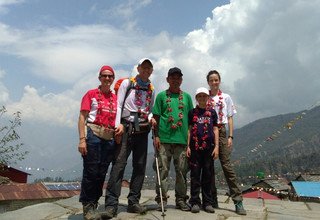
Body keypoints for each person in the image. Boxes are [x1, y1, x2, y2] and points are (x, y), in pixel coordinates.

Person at [104, 58, 155, 218]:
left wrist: (152, 117)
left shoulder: (152, 89)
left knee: (139, 166)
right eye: (143, 67)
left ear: (151, 71)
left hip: (142, 129)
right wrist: (118, 124)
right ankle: (111, 205)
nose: (146, 70)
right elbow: (119, 105)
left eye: (149, 68)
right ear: (138, 68)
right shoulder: (128, 83)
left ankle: (133, 201)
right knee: (119, 164)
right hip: (125, 127)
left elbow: (150, 109)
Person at [78, 65, 119, 220]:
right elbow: (82, 117)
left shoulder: (116, 98)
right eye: (104, 76)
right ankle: (87, 207)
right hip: (93, 134)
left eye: (110, 76)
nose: (107, 79)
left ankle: (94, 204)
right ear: (99, 78)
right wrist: (82, 139)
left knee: (101, 172)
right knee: (91, 171)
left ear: (113, 79)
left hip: (109, 138)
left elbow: (119, 117)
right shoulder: (91, 94)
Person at [153, 67, 194, 211]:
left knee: (182, 171)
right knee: (162, 170)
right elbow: (156, 118)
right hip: (163, 140)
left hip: (182, 141)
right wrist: (156, 136)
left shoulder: (187, 97)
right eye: (172, 77)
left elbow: (190, 123)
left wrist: (189, 143)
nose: (175, 80)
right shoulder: (161, 96)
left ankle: (181, 200)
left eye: (178, 78)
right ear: (167, 79)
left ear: (181, 80)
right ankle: (162, 200)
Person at [207, 70, 247, 215]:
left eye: (216, 80)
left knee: (227, 166)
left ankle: (238, 201)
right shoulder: (205, 97)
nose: (214, 82)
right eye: (211, 80)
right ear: (208, 82)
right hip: (208, 132)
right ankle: (212, 198)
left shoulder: (226, 97)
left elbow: (230, 117)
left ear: (220, 81)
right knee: (208, 166)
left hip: (222, 131)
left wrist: (231, 136)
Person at [186, 87, 219, 214]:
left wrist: (216, 147)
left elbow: (216, 129)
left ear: (208, 98)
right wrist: (188, 146)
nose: (202, 98)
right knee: (195, 176)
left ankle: (207, 202)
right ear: (196, 98)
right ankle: (194, 202)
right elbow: (189, 130)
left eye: (204, 96)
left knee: (207, 176)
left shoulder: (212, 113)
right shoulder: (192, 113)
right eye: (199, 96)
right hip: (195, 148)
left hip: (208, 149)